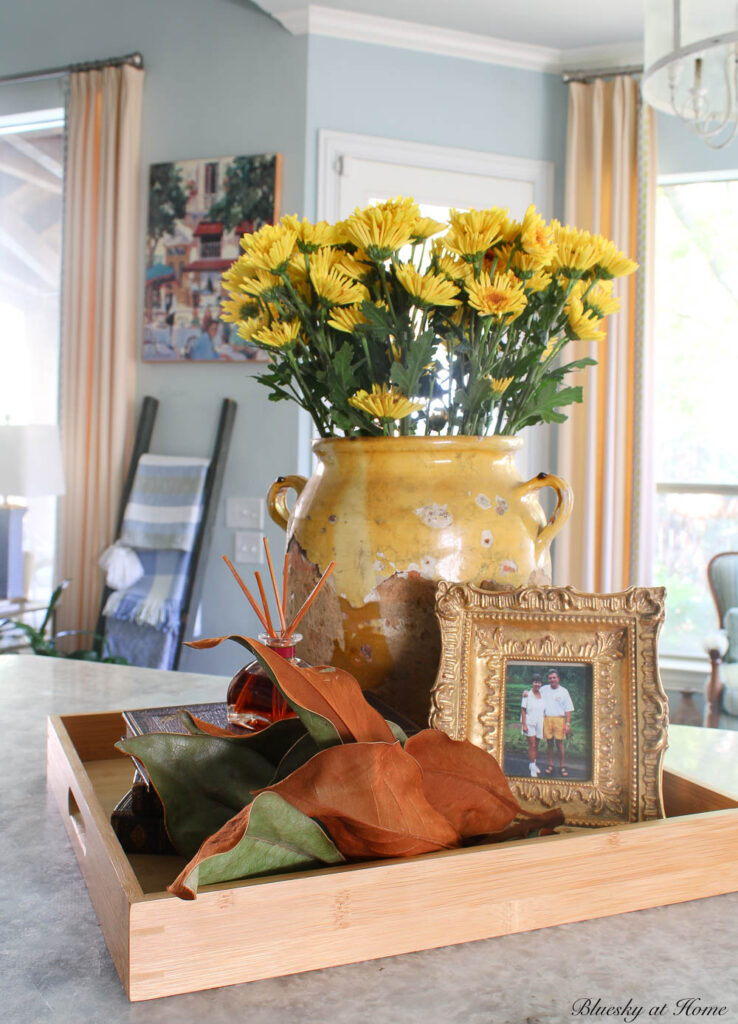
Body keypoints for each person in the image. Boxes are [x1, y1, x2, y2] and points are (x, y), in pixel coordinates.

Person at [541, 668, 574, 777]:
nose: (552, 680)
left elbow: (568, 709)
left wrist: (567, 724)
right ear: (548, 679)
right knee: (549, 743)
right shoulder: (544, 689)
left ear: (558, 679)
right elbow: (534, 693)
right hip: (547, 719)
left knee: (559, 744)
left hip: (560, 720)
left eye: (554, 677)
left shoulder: (564, 691)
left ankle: (562, 766)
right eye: (550, 678)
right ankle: (550, 765)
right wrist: (526, 693)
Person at [520, 674, 545, 777]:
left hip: (540, 722)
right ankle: (532, 766)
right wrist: (524, 724)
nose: (537, 684)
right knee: (532, 744)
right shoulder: (527, 695)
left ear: (541, 684)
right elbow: (523, 709)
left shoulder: (543, 694)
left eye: (539, 682)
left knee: (537, 745)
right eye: (535, 682)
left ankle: (533, 763)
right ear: (532, 683)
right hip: (529, 722)